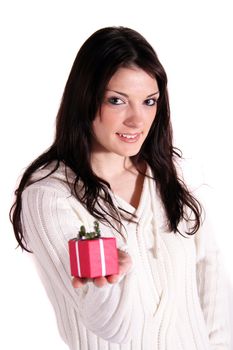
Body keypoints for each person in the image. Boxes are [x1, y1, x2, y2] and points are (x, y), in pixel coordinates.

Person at [10, 26, 230, 350]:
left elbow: (210, 279)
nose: (137, 120)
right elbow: (107, 327)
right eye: (117, 101)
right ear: (86, 99)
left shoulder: (167, 173)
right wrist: (107, 285)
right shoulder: (51, 195)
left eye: (149, 101)